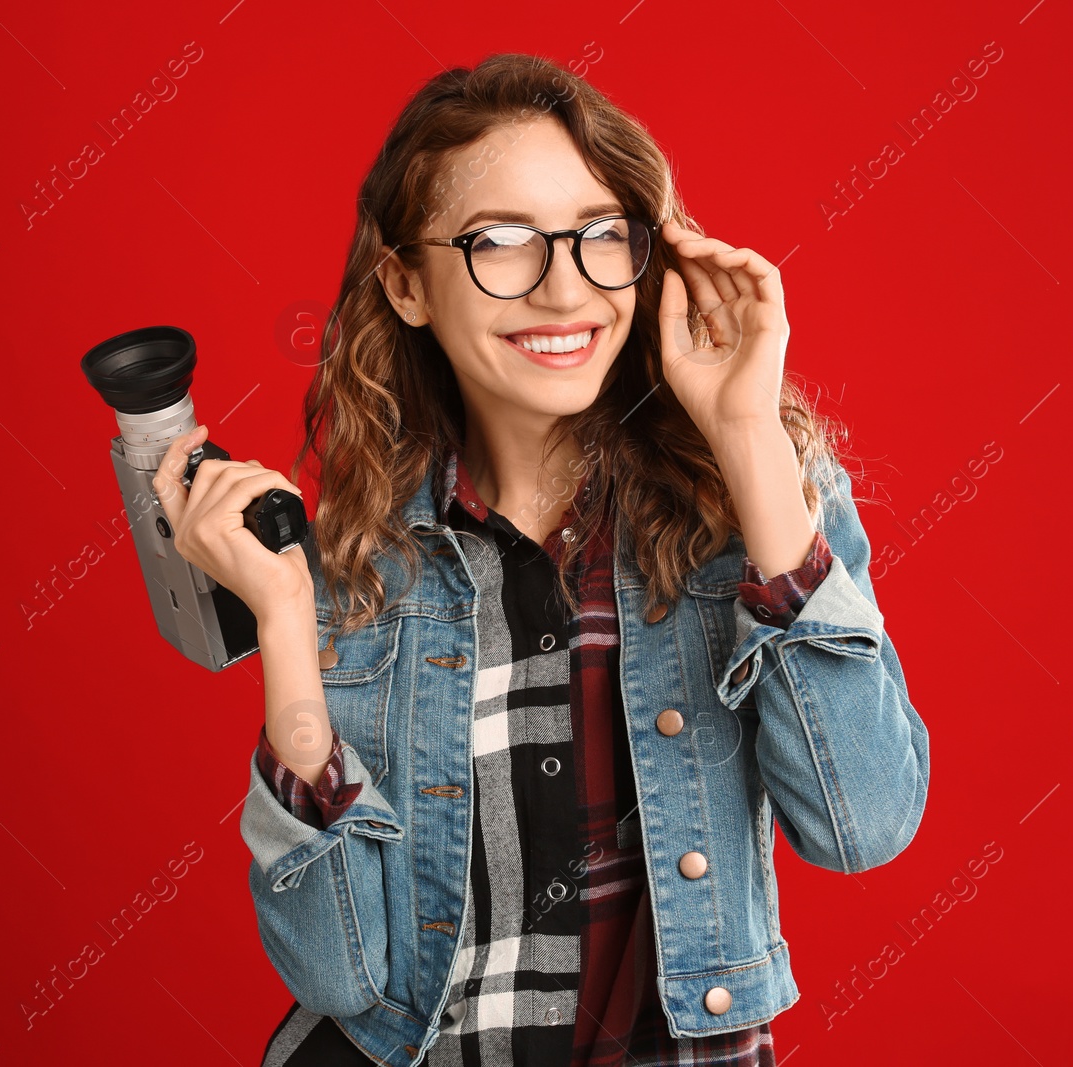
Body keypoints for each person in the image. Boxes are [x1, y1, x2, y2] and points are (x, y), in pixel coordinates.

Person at [152, 53, 929, 1067]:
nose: (565, 286)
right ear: (408, 283)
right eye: (501, 243)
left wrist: (746, 435)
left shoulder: (762, 499)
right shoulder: (353, 560)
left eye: (600, 236)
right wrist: (290, 624)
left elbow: (859, 822)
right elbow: (343, 978)